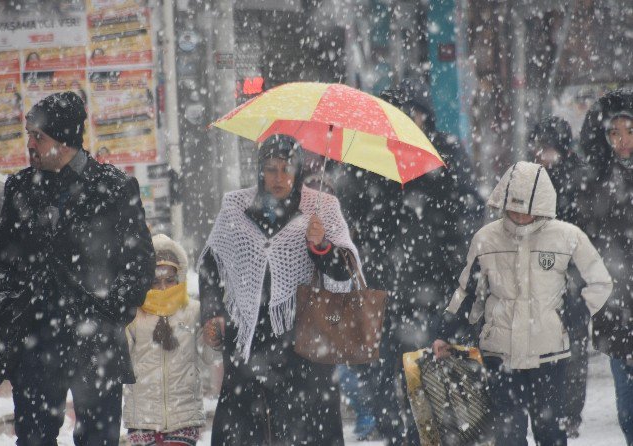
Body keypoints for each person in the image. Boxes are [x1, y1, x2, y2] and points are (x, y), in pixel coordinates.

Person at [0, 91, 155, 446]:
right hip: (35, 340)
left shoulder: (114, 188)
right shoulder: (20, 189)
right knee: (33, 439)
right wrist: (7, 304)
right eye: (29, 134)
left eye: (37, 136)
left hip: (96, 344)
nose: (29, 143)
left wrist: (109, 311)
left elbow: (139, 263)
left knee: (98, 439)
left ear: (61, 142)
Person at [334, 79, 484, 445]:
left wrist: (459, 286)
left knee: (434, 392)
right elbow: (351, 225)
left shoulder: (442, 154)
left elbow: (466, 220)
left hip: (433, 294)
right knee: (385, 388)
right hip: (381, 295)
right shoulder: (362, 161)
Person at [432, 161, 612, 446]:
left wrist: (573, 315)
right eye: (513, 206)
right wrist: (446, 332)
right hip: (500, 353)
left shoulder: (567, 237)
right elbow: (468, 293)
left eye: (527, 208)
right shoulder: (486, 239)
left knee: (550, 432)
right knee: (507, 434)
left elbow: (600, 281)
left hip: (549, 352)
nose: (519, 214)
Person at [198, 134, 360, 445]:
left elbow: (345, 273)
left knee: (305, 430)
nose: (279, 178)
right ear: (259, 170)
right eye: (271, 169)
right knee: (245, 431)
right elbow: (210, 265)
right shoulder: (235, 207)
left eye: (287, 169)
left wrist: (322, 246)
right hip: (249, 340)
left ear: (299, 170)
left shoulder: (323, 207)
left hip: (305, 341)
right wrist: (213, 311)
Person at [528, 116, 590, 438]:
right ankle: (552, 411)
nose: (541, 154)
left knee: (573, 349)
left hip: (571, 281)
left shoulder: (578, 180)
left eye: (547, 148)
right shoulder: (530, 181)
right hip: (540, 283)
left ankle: (567, 413)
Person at [579, 88, 633, 445]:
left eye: (628, 130)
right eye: (614, 133)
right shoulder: (595, 183)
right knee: (628, 410)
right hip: (619, 310)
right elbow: (585, 244)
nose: (622, 140)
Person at [124, 234, 215, 446]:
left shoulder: (193, 311)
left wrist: (214, 337)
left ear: (179, 277)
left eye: (169, 280)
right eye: (156, 281)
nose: (163, 287)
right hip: (142, 417)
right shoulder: (135, 314)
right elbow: (122, 355)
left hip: (183, 416)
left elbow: (210, 355)